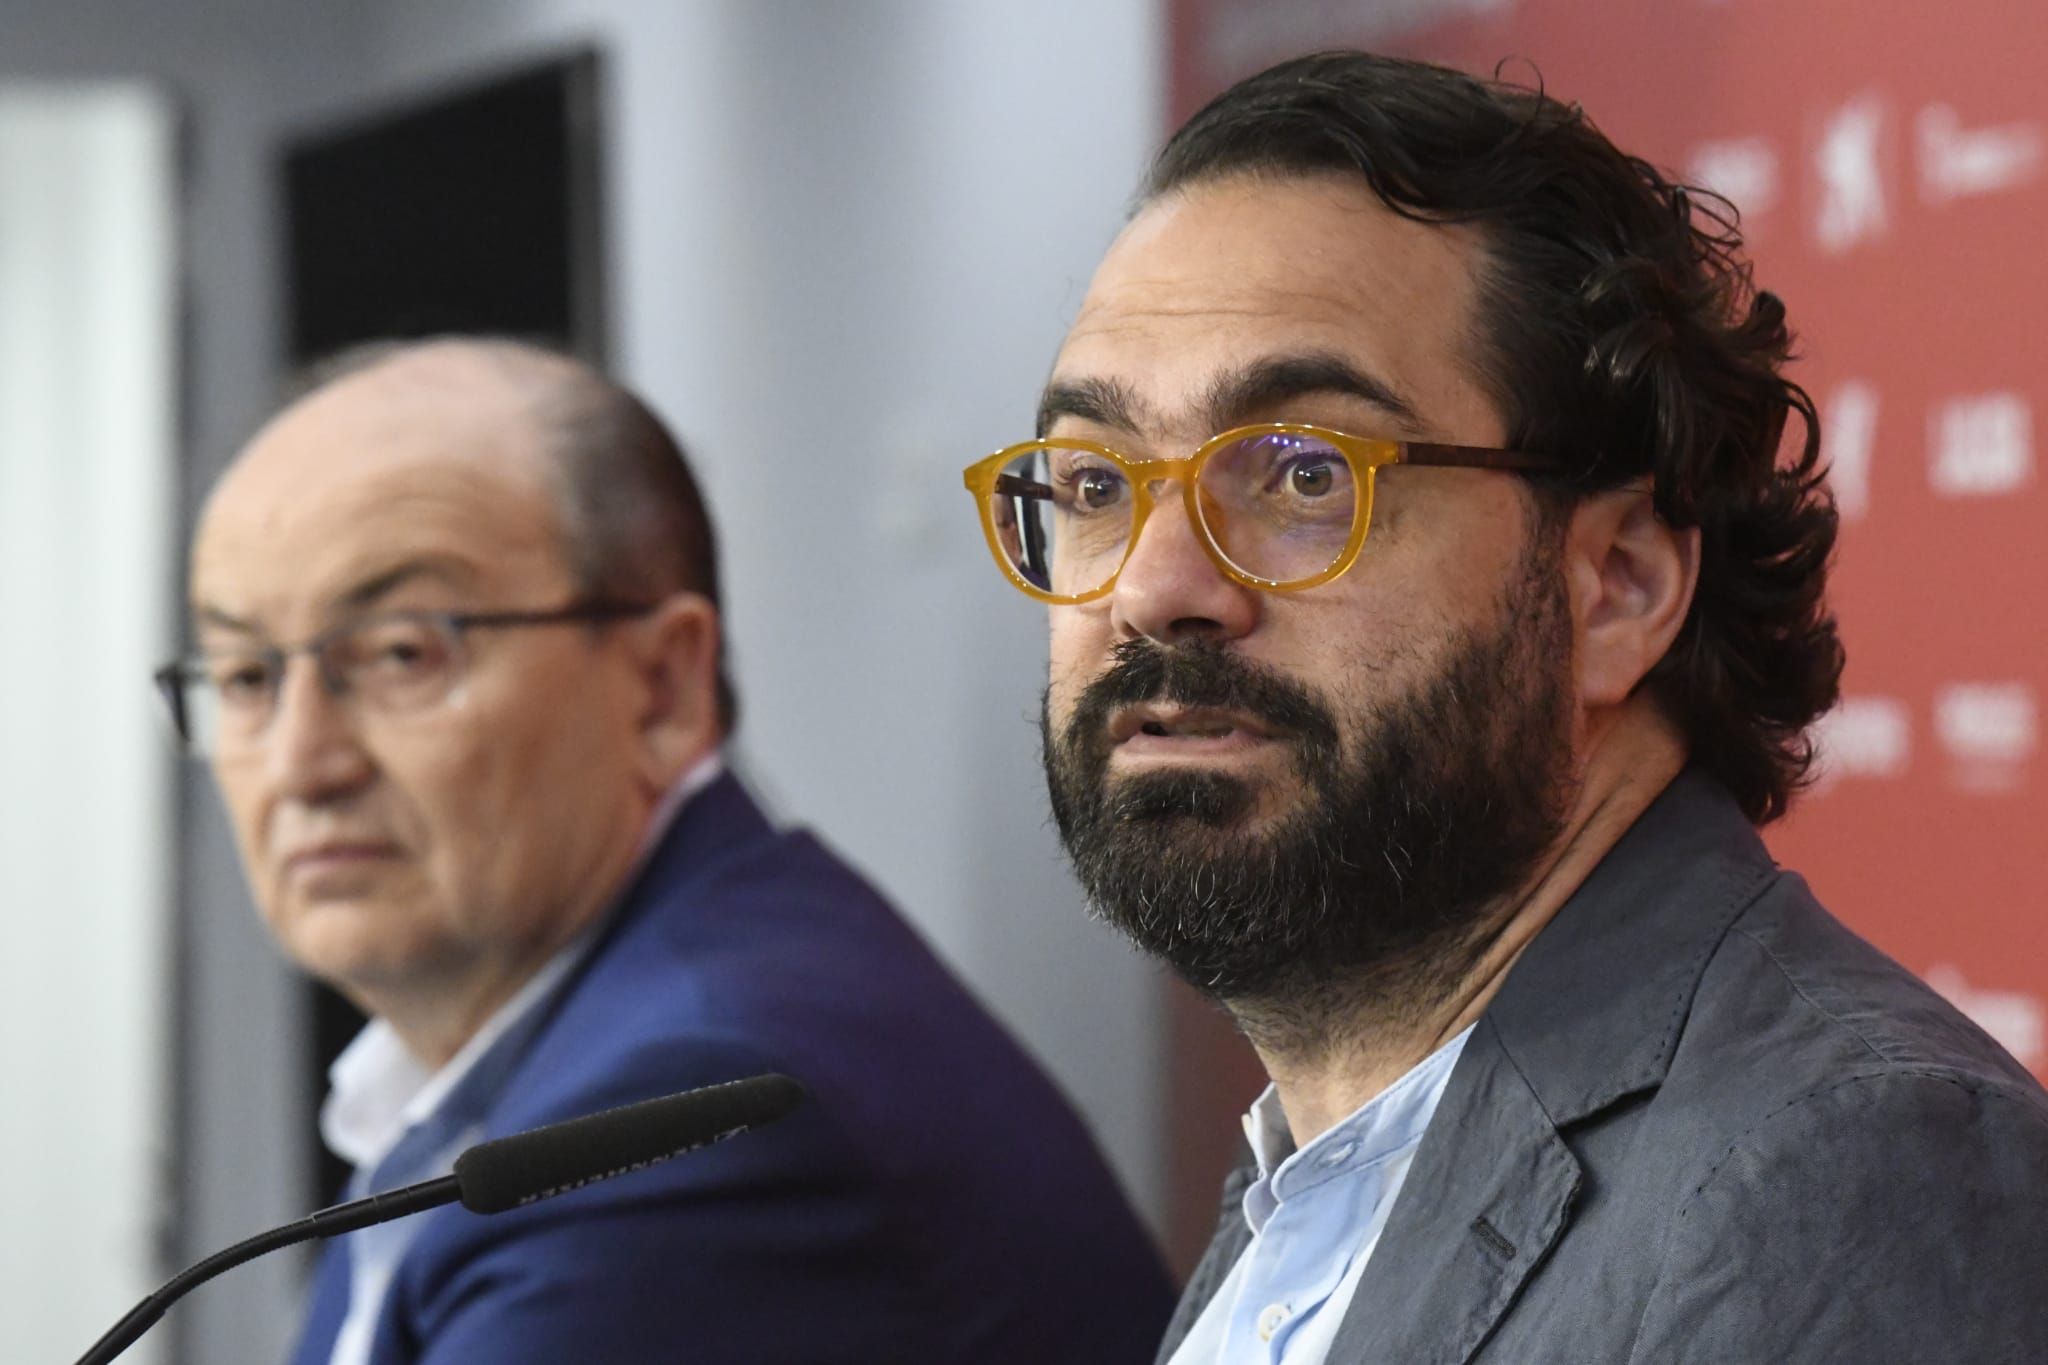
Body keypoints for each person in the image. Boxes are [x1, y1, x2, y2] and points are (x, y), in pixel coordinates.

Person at [960, 50, 2048, 1363]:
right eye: (1093, 482)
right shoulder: (1315, 1181)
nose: (1155, 588)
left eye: (1304, 473)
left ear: (1620, 586)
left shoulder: (1846, 1176)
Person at [163, 336, 1172, 1364]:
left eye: (398, 654)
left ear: (661, 689)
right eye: (245, 677)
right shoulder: (513, 1060)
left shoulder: (685, 1115)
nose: (300, 764)